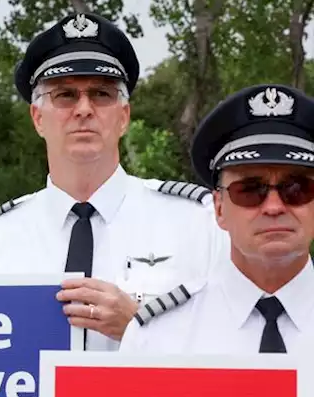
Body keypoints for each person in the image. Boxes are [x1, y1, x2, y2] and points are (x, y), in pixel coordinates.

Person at [0, 13, 225, 350]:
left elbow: (238, 345)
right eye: (65, 95)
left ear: (123, 116)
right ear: (38, 118)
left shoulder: (196, 224)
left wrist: (141, 328)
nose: (84, 109)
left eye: (101, 94)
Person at [121, 85, 314, 353]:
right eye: (249, 190)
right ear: (219, 208)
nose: (273, 207)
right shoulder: (158, 337)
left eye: (296, 188)